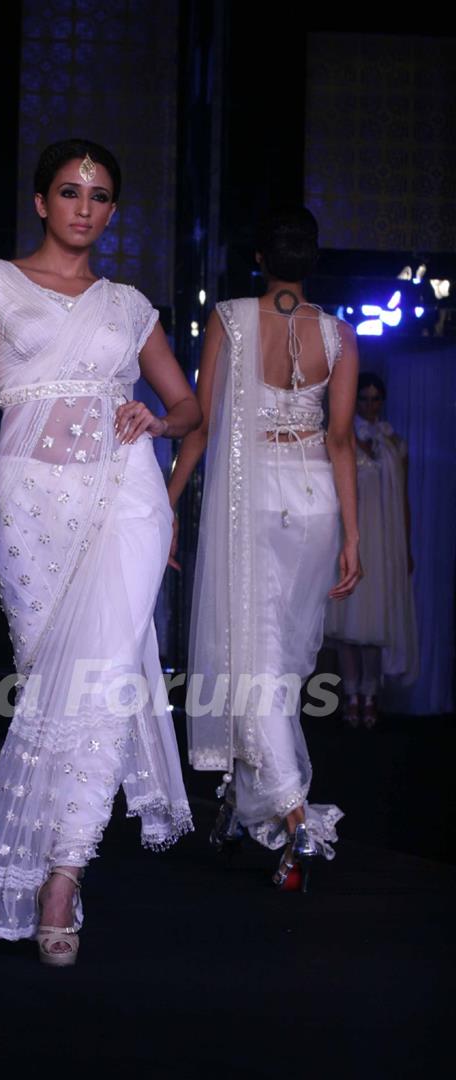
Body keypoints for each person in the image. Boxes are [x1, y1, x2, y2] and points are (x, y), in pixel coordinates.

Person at [0, 139, 200, 965]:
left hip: (125, 501)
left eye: (100, 195)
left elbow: (189, 404)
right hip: (30, 507)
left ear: (113, 212)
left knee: (104, 682)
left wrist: (158, 422)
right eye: (70, 191)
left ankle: (62, 875)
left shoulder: (129, 305)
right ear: (42, 201)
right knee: (54, 684)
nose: (85, 207)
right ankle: (55, 862)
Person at [167, 207, 361, 891]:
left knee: (255, 657)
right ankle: (244, 804)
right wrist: (355, 534)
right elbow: (341, 442)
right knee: (276, 664)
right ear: (312, 261)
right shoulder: (339, 334)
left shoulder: (228, 319)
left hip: (255, 497)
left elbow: (199, 422)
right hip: (315, 501)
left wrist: (168, 500)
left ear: (260, 259)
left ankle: (294, 814)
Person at [325, 372, 418, 727]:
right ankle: (352, 695)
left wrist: (406, 546)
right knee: (350, 622)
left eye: (375, 398)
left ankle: (371, 695)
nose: (369, 404)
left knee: (377, 622)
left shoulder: (395, 442)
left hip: (385, 542)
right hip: (355, 538)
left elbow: (403, 498)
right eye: (363, 398)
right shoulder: (343, 437)